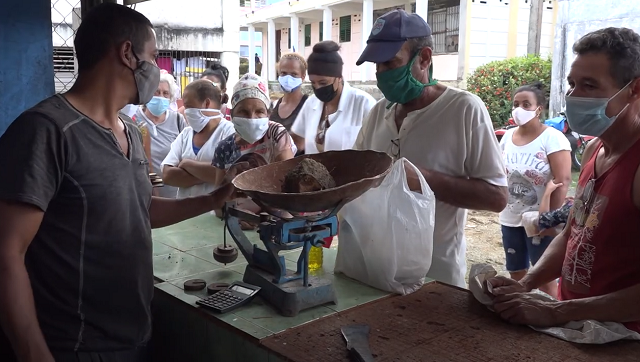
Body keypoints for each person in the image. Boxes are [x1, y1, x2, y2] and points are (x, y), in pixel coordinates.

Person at [0, 4, 246, 362]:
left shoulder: (130, 131)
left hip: (132, 336)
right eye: (153, 56)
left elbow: (141, 209)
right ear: (128, 54)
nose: (157, 68)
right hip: (72, 345)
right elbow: (7, 253)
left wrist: (214, 199)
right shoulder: (46, 132)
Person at [488, 27, 640, 333]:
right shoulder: (594, 151)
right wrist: (527, 283)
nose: (573, 96)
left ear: (634, 89)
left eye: (589, 85)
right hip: (579, 327)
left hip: (622, 340)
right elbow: (573, 232)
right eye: (572, 84)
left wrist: (558, 311)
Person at [354, 9, 508, 288]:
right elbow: (355, 178)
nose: (381, 74)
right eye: (376, 65)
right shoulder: (378, 112)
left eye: (390, 63)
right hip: (373, 271)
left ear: (424, 58)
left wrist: (422, 179)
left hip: (435, 278)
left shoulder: (463, 109)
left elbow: (496, 198)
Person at [499, 83, 572, 296]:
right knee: (516, 271)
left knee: (544, 277)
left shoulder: (552, 138)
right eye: (516, 104)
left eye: (526, 104)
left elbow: (563, 179)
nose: (519, 109)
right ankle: (523, 311)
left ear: (538, 109)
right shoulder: (507, 137)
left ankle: (551, 319)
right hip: (510, 217)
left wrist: (550, 220)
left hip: (539, 221)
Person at [291, 41, 376, 154]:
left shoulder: (364, 104)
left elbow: (377, 148)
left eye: (323, 83)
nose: (317, 88)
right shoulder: (311, 104)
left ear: (339, 77)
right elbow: (296, 141)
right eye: (313, 83)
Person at [161, 79, 236, 198]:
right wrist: (211, 174)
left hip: (213, 213)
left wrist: (186, 164)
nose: (185, 111)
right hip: (185, 213)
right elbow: (167, 175)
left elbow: (230, 173)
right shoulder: (186, 134)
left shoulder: (229, 133)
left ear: (206, 103)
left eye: (189, 106)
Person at [132, 71, 187, 197]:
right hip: (144, 194)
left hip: (175, 193)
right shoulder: (134, 120)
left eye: (165, 93)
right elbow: (145, 161)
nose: (160, 96)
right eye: (156, 92)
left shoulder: (178, 121)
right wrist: (154, 187)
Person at [270, 53, 309, 142]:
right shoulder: (273, 106)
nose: (288, 78)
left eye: (294, 74)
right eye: (283, 73)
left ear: (302, 77)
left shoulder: (309, 106)